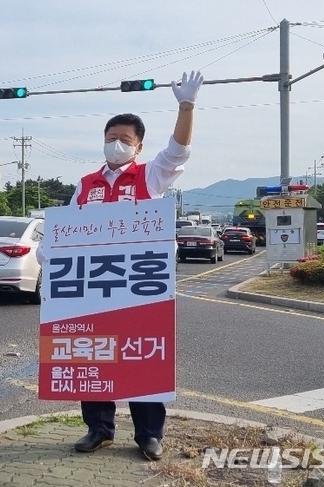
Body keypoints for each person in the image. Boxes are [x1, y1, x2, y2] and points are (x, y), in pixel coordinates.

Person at [36, 70, 204, 460]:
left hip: (138, 286)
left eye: (124, 140)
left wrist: (186, 105)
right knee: (92, 357)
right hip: (92, 288)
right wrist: (50, 251)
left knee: (141, 356)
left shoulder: (149, 176)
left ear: (138, 146)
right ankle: (99, 429)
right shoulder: (86, 183)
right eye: (110, 139)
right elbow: (68, 226)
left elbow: (178, 151)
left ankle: (148, 434)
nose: (116, 146)